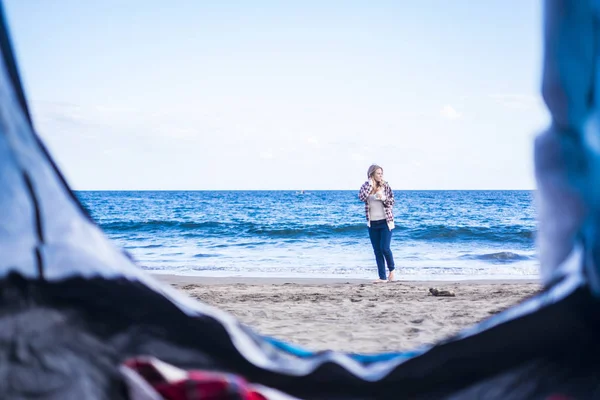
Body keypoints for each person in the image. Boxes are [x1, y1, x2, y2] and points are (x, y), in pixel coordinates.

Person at [358, 164, 396, 283]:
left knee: (385, 248)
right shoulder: (366, 186)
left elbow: (392, 202)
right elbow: (361, 197)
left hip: (386, 222)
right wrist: (370, 185)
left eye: (381, 173)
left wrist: (383, 198)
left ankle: (392, 270)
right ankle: (382, 277)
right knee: (377, 250)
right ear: (372, 174)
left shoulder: (385, 186)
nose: (380, 176)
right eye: (378, 173)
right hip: (372, 223)